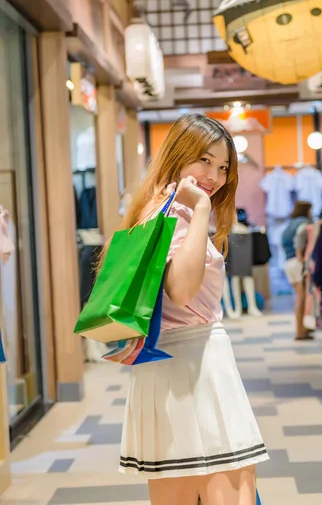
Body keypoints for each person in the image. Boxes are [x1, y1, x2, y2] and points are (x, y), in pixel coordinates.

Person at [115, 114, 269, 505]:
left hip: (170, 366)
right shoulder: (178, 212)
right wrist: (200, 207)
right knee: (231, 494)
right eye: (204, 160)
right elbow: (182, 291)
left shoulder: (155, 206)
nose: (213, 176)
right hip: (194, 365)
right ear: (179, 155)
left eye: (222, 167)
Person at [281, 200, 314, 340]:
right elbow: (300, 237)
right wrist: (300, 254)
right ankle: (299, 331)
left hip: (289, 262)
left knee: (298, 296)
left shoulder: (289, 224)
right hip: (298, 262)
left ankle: (301, 327)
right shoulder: (303, 222)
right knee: (301, 297)